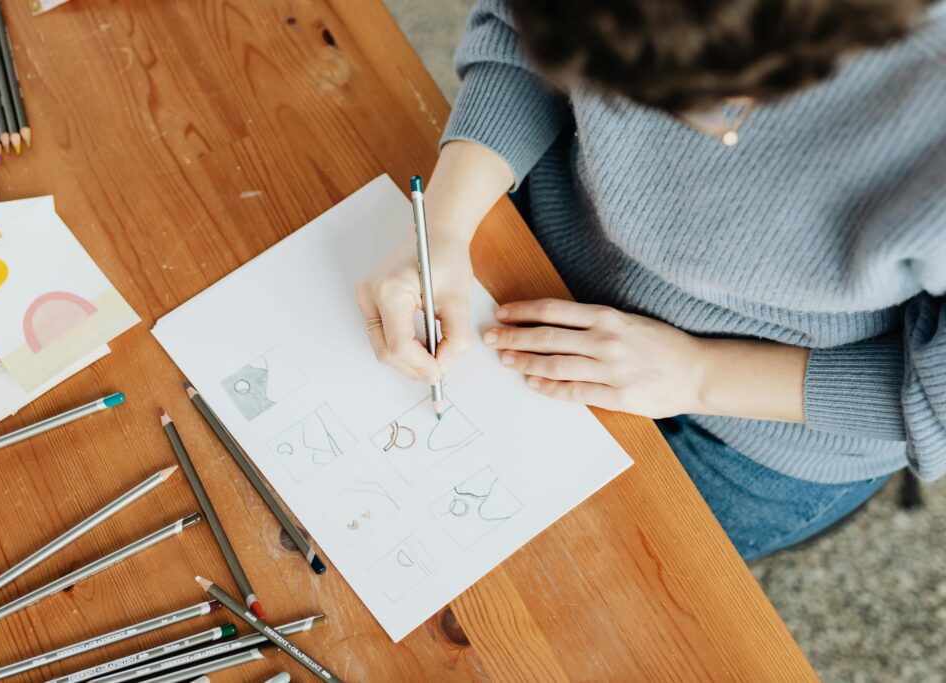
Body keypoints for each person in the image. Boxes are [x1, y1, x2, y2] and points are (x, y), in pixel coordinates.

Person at [357, 0, 946, 561]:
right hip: (546, 256)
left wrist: (699, 374)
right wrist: (443, 222)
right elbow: (521, 33)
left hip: (773, 423)